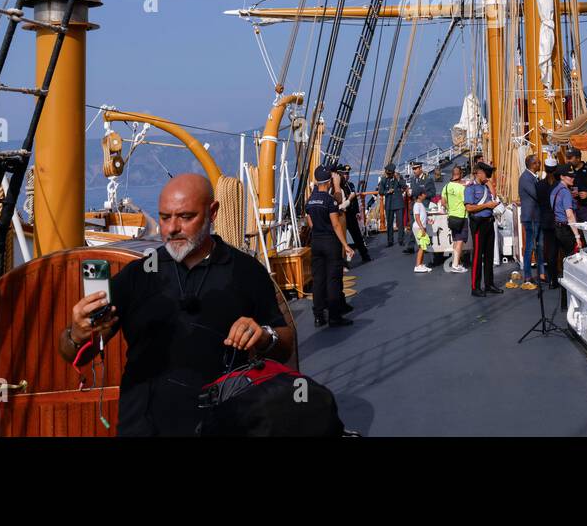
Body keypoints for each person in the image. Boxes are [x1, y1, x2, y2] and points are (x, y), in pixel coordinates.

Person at [60, 173, 295, 436]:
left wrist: (263, 336)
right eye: (164, 217)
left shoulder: (246, 271)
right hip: (143, 428)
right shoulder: (136, 276)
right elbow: (71, 352)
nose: (172, 228)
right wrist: (76, 334)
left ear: (213, 212)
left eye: (185, 217)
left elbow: (285, 346)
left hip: (225, 424)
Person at [306, 164, 356, 327]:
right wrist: (346, 245)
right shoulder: (329, 201)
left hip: (316, 242)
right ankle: (334, 316)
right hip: (330, 242)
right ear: (328, 181)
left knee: (318, 279)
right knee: (333, 279)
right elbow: (336, 225)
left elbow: (311, 224)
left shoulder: (310, 201)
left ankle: (318, 316)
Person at [462, 162, 502, 296]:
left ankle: (489, 284)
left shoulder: (485, 187)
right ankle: (475, 287)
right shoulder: (470, 188)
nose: (489, 176)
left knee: (489, 255)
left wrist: (489, 184)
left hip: (489, 222)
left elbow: (493, 196)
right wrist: (486, 206)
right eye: (487, 173)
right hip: (478, 223)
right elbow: (469, 207)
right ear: (479, 173)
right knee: (478, 256)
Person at [549, 165, 580, 304]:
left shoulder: (555, 191)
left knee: (562, 263)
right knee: (571, 263)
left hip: (556, 229)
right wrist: (577, 236)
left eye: (573, 175)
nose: (572, 178)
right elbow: (569, 215)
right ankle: (569, 299)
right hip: (565, 230)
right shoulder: (566, 192)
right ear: (562, 176)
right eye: (569, 176)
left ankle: (563, 299)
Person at [517, 153, 544, 288]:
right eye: (538, 163)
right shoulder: (527, 178)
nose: (540, 164)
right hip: (532, 217)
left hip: (536, 217)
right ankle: (527, 275)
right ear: (533, 165)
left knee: (540, 246)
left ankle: (541, 273)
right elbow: (537, 194)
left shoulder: (532, 177)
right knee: (530, 247)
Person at [339, 164, 370, 264]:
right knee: (342, 238)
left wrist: (357, 212)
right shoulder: (338, 188)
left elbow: (355, 200)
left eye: (347, 174)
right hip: (343, 215)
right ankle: (343, 262)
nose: (346, 176)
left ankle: (365, 255)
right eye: (344, 174)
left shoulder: (350, 185)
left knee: (357, 236)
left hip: (351, 214)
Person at [442, 164, 469, 273]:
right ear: (461, 174)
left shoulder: (446, 187)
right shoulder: (462, 188)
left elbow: (443, 202)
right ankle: (456, 264)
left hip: (451, 216)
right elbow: (466, 202)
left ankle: (455, 260)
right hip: (461, 216)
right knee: (460, 240)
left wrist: (450, 208)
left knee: (455, 239)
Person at [407, 161, 436, 256]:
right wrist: (409, 194)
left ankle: (425, 246)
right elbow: (412, 191)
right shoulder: (412, 180)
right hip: (414, 205)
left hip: (423, 205)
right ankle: (411, 246)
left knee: (423, 226)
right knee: (413, 225)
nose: (414, 171)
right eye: (413, 169)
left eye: (415, 169)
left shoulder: (427, 179)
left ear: (420, 168)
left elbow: (433, 193)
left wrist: (423, 196)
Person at [378, 163, 409, 249]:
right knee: (390, 223)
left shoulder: (398, 178)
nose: (388, 175)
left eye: (389, 173)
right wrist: (387, 192)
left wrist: (398, 179)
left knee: (400, 223)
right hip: (389, 204)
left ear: (393, 172)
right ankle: (390, 241)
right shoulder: (384, 180)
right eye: (387, 173)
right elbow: (380, 191)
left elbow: (404, 186)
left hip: (398, 203)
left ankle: (401, 240)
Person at [539, 157, 558, 289]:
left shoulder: (539, 185)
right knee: (561, 250)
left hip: (545, 221)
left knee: (550, 251)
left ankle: (552, 279)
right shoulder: (559, 185)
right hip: (558, 220)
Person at [411, 193, 432, 273]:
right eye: (423, 194)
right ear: (419, 196)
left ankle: (420, 264)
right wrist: (421, 228)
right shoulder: (417, 205)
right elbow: (417, 218)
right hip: (418, 228)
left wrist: (428, 221)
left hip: (421, 227)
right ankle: (417, 266)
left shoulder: (420, 204)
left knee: (423, 246)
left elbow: (423, 217)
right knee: (421, 247)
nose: (425, 195)